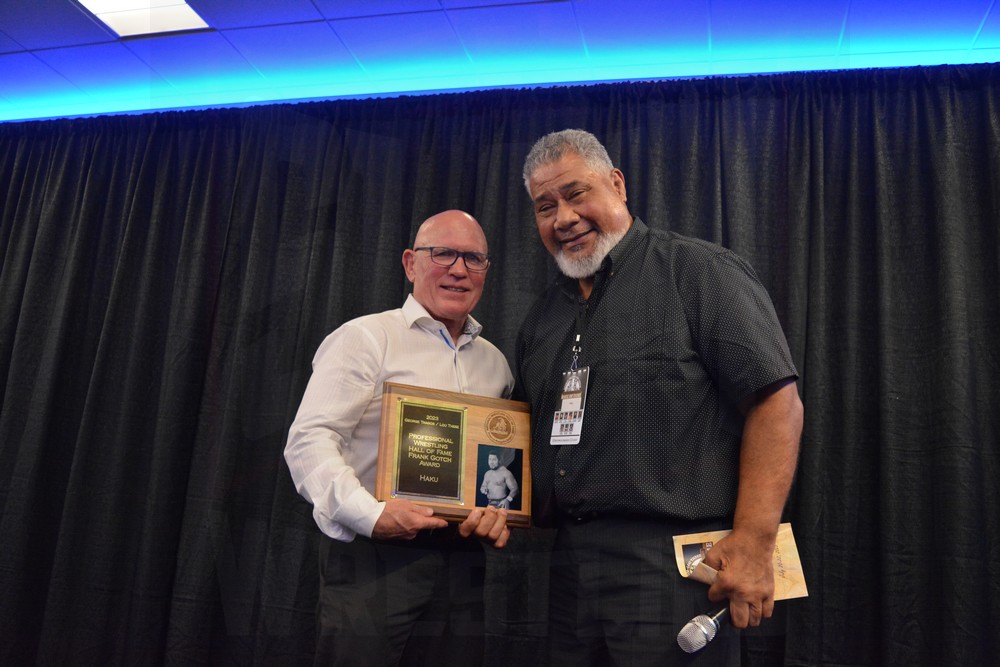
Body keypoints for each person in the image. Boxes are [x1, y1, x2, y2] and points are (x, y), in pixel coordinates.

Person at [514, 129, 804, 665]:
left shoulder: (698, 272)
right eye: (545, 206)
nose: (563, 219)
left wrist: (755, 540)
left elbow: (776, 402)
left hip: (673, 564)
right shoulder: (542, 318)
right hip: (565, 570)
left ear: (618, 186)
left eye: (576, 195)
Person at [285, 209, 515, 667]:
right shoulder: (366, 338)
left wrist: (499, 514)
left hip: (462, 562)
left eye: (473, 258)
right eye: (443, 254)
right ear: (411, 263)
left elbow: (498, 463)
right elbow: (310, 440)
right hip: (375, 560)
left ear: (486, 271)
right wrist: (371, 515)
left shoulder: (496, 364)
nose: (458, 269)